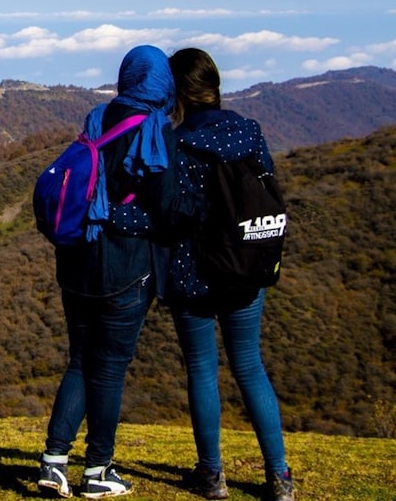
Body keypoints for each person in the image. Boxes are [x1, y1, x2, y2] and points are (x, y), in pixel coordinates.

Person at [38, 45, 183, 498]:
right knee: (109, 370)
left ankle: (53, 461)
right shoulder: (157, 131)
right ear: (162, 83)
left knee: (80, 360)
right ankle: (98, 470)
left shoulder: (97, 119)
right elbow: (169, 206)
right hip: (124, 267)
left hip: (76, 262)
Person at [164, 47, 295, 501]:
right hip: (245, 269)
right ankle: (279, 477)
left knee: (202, 369)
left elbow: (174, 210)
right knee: (250, 367)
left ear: (177, 91)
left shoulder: (177, 143)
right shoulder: (249, 132)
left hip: (192, 271)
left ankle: (212, 475)